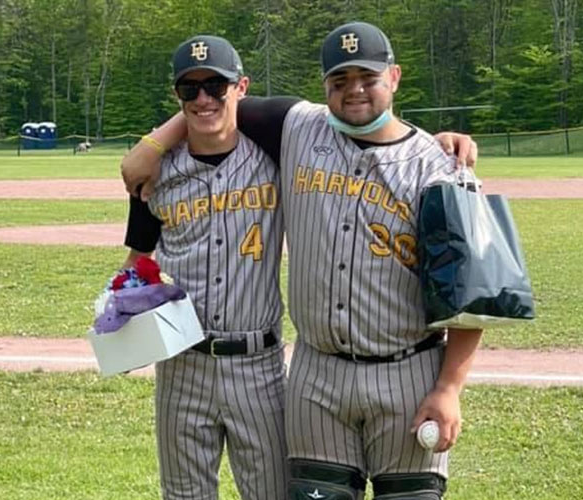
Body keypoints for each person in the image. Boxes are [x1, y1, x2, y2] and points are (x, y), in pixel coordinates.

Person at [123, 22, 483, 499]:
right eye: (340, 81)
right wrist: (152, 146)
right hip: (318, 376)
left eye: (368, 78)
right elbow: (214, 108)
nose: (354, 90)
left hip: (407, 370)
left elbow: (471, 294)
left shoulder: (439, 167)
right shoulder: (297, 128)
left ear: (394, 77)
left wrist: (450, 387)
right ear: (324, 87)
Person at [120, 35, 287, 500]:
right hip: (180, 365)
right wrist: (122, 313)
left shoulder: (276, 158)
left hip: (258, 365)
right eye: (189, 90)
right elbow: (138, 260)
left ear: (241, 87)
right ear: (177, 97)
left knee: (272, 491)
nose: (203, 99)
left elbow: (353, 135)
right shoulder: (154, 175)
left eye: (215, 85)